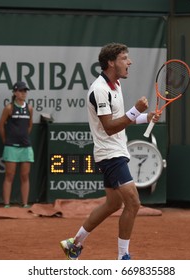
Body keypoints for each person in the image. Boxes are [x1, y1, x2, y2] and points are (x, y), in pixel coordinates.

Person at [60, 43, 160, 260]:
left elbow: (118, 119)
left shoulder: (115, 85)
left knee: (113, 204)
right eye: (125, 58)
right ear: (111, 62)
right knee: (133, 203)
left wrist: (145, 117)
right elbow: (109, 126)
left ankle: (74, 244)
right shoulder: (100, 90)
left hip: (116, 150)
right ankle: (123, 257)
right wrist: (136, 111)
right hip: (110, 154)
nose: (129, 62)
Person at [0, 81, 34, 208]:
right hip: (11, 146)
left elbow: (30, 125)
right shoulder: (9, 108)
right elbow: (1, 125)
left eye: (25, 91)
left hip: (25, 146)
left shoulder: (29, 108)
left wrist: (23, 137)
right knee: (9, 175)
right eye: (20, 91)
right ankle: (6, 204)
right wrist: (6, 140)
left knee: (25, 176)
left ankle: (25, 204)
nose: (23, 93)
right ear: (14, 93)